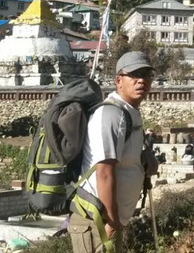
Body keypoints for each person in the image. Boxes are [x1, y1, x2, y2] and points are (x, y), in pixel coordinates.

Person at [69, 51, 159, 253]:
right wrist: (111, 223)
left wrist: (143, 159)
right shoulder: (111, 114)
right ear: (119, 80)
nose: (141, 81)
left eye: (146, 75)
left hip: (108, 219)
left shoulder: (129, 113)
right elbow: (104, 171)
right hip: (97, 220)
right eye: (134, 75)